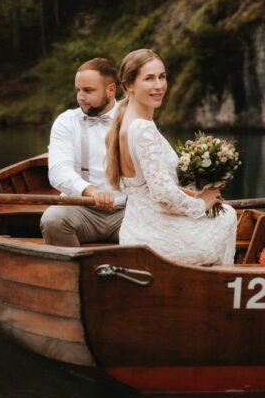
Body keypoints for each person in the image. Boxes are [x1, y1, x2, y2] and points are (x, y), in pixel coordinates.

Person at [104, 49, 237, 265]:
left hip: (135, 231)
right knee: (227, 216)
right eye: (149, 78)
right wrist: (201, 204)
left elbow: (149, 188)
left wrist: (196, 194)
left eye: (162, 76)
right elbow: (164, 196)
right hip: (156, 240)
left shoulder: (127, 120)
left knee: (221, 214)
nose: (159, 86)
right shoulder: (142, 129)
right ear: (129, 85)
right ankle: (220, 285)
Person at [41, 58, 126, 246]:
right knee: (52, 220)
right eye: (78, 90)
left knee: (158, 229)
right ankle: (75, 270)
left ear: (111, 90)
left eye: (88, 90)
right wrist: (90, 191)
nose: (80, 97)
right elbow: (58, 171)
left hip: (125, 212)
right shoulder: (66, 122)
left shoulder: (130, 118)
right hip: (81, 209)